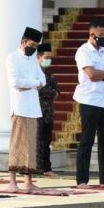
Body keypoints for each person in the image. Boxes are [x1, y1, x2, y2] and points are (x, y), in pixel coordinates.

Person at [73, 20, 104, 188]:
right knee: (87, 140)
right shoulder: (83, 51)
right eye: (100, 35)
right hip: (90, 100)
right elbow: (91, 74)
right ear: (91, 34)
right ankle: (82, 179)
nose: (103, 38)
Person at [3, 27, 46, 192]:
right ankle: (12, 182)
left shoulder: (34, 60)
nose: (34, 48)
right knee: (17, 144)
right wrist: (34, 83)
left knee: (31, 145)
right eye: (32, 44)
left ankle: (28, 181)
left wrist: (32, 83)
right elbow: (16, 82)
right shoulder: (12, 58)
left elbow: (43, 80)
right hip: (19, 107)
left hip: (34, 107)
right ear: (24, 42)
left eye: (36, 46)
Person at [36, 43, 60, 176]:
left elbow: (57, 91)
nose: (48, 60)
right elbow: (41, 89)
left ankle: (46, 168)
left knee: (46, 141)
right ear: (39, 57)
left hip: (48, 112)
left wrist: (49, 92)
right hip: (37, 112)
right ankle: (37, 167)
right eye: (46, 57)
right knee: (37, 141)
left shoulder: (50, 74)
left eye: (50, 57)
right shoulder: (34, 72)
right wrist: (50, 92)